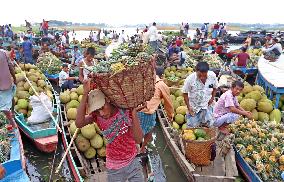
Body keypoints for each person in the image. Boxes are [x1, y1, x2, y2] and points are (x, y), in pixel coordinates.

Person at [75, 80, 144, 182]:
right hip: (114, 167)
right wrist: (85, 94)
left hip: (133, 161)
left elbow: (138, 140)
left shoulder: (124, 111)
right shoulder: (96, 117)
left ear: (107, 100)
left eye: (102, 108)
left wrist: (133, 113)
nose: (101, 113)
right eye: (97, 111)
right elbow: (79, 123)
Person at [138, 67, 174, 153]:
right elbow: (168, 103)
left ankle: (140, 148)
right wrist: (170, 116)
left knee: (140, 132)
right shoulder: (161, 84)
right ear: (162, 75)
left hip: (136, 110)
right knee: (145, 133)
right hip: (147, 112)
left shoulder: (144, 79)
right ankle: (141, 149)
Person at [182, 62, 217, 127]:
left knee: (210, 124)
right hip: (195, 106)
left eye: (204, 76)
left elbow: (215, 87)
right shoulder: (190, 79)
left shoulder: (212, 76)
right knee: (192, 127)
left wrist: (212, 98)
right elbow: (185, 93)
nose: (202, 78)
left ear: (207, 72)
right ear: (196, 71)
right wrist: (189, 107)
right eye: (199, 75)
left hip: (207, 105)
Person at [0, 50, 16, 127]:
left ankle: (12, 123)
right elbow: (11, 67)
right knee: (11, 97)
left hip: (2, 85)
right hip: (7, 81)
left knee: (4, 106)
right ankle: (13, 113)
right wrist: (14, 78)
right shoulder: (4, 53)